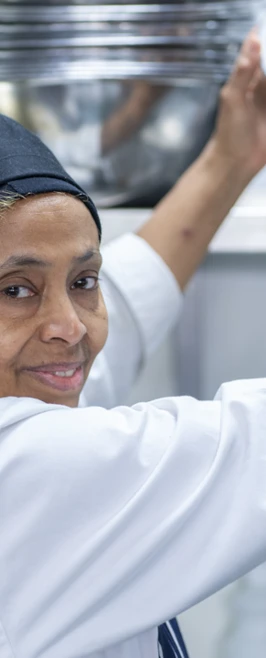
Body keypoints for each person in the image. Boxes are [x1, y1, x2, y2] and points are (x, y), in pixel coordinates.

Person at [0, 29, 266, 658]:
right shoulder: (32, 471)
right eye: (15, 290)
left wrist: (234, 154)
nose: (72, 326)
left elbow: (137, 287)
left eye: (83, 280)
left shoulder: (32, 390)